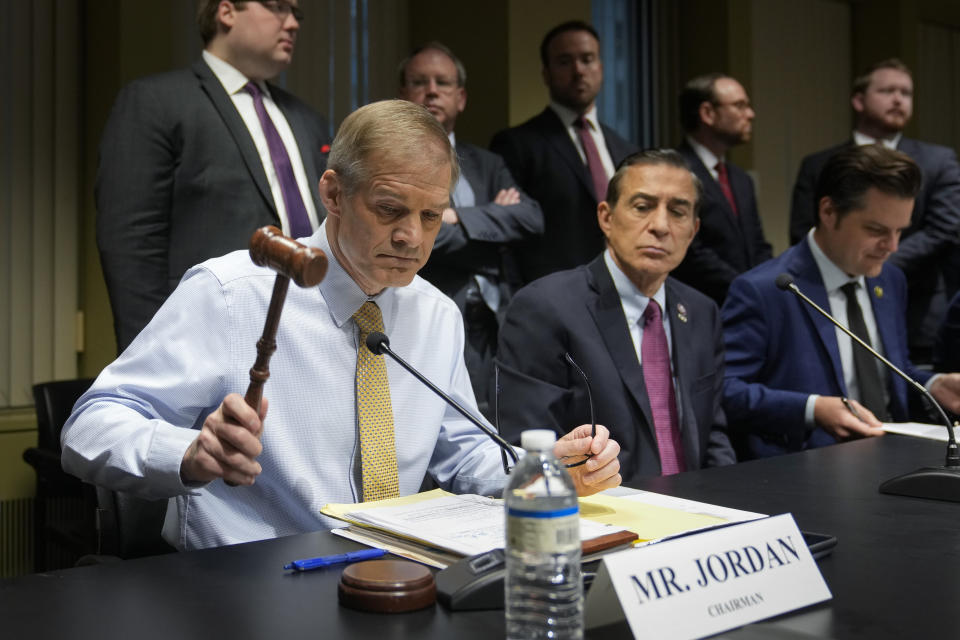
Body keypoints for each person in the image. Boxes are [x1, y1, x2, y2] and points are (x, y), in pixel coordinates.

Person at [62, 100, 621, 551]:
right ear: (332, 193)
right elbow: (88, 429)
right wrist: (188, 454)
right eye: (389, 210)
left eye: (431, 216)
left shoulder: (436, 315)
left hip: (392, 577)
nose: (413, 238)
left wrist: (548, 472)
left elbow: (466, 454)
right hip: (248, 584)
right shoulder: (231, 292)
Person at [96, 0, 331, 352]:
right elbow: (131, 244)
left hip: (309, 338)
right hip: (203, 339)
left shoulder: (307, 120)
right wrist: (150, 354)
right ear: (226, 12)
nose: (293, 23)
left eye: (297, 13)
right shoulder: (156, 102)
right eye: (279, 7)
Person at [494, 149, 735, 481]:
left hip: (697, 512)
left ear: (693, 231)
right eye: (643, 207)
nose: (661, 226)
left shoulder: (701, 312)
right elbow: (526, 448)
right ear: (606, 217)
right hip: (601, 513)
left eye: (677, 212)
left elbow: (713, 435)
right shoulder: (546, 307)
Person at [724, 144, 960, 459]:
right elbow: (725, 390)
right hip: (806, 468)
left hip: (894, 457)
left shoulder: (890, 280)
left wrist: (933, 385)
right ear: (829, 212)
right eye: (876, 230)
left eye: (899, 231)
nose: (891, 246)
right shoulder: (766, 290)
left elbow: (890, 369)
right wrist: (812, 408)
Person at [397, 42, 543, 416]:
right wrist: (495, 221)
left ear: (460, 98)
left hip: (498, 323)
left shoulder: (488, 163)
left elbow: (530, 219)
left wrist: (458, 217)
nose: (431, 90)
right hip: (429, 314)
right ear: (403, 94)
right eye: (419, 82)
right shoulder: (394, 165)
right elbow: (423, 239)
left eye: (442, 83)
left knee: (496, 427)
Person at [789, 59, 960, 364]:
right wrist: (847, 267)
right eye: (888, 91)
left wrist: (874, 261)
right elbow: (804, 229)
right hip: (831, 304)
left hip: (918, 313)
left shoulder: (939, 160)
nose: (898, 99)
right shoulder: (819, 164)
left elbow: (944, 229)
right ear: (859, 100)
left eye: (906, 93)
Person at [489, 20, 638, 284]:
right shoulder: (517, 144)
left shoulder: (626, 149)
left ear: (601, 69)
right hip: (551, 292)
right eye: (565, 61)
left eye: (587, 59)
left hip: (624, 286)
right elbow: (508, 236)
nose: (579, 71)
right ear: (546, 73)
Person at [673, 73, 772, 305]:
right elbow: (691, 252)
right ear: (708, 113)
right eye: (740, 106)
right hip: (699, 306)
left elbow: (757, 244)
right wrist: (748, 288)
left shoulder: (740, 179)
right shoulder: (675, 172)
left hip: (747, 306)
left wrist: (768, 283)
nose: (750, 114)